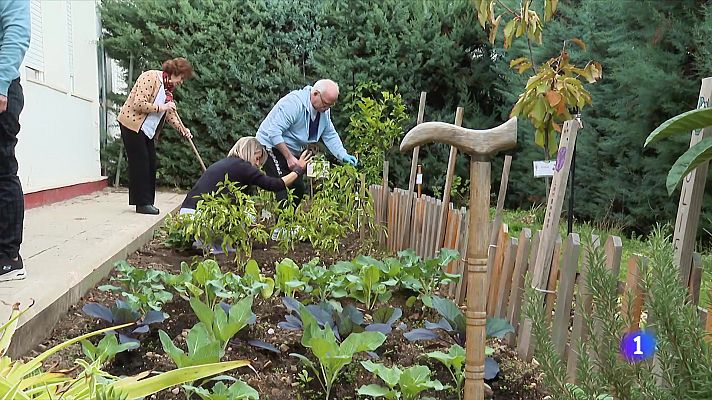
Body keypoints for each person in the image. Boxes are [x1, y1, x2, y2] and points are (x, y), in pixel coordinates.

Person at [256, 79, 357, 205]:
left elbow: (329, 134)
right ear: (315, 94)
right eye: (325, 104)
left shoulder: (323, 111)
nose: (327, 108)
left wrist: (343, 155)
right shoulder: (294, 104)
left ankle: (289, 222)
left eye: (330, 105)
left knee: (298, 190)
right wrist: (289, 158)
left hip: (291, 150)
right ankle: (282, 224)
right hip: (270, 146)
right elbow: (273, 132)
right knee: (282, 188)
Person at [117, 57, 194, 215]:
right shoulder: (151, 77)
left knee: (150, 163)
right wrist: (162, 106)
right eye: (181, 78)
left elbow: (170, 114)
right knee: (141, 163)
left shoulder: (167, 91)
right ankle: (142, 204)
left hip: (147, 130)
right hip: (132, 125)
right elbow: (138, 103)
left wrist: (182, 129)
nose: (181, 82)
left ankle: (147, 202)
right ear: (175, 72)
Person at [179, 136, 313, 213]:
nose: (258, 164)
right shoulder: (242, 166)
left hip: (187, 211)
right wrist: (298, 169)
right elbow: (275, 185)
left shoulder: (228, 164)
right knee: (247, 216)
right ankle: (214, 247)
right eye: (258, 158)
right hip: (199, 215)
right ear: (252, 152)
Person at [0, 1, 30, 282]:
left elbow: (17, 32)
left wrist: (0, 84)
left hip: (2, 89)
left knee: (2, 169)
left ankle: (9, 257)